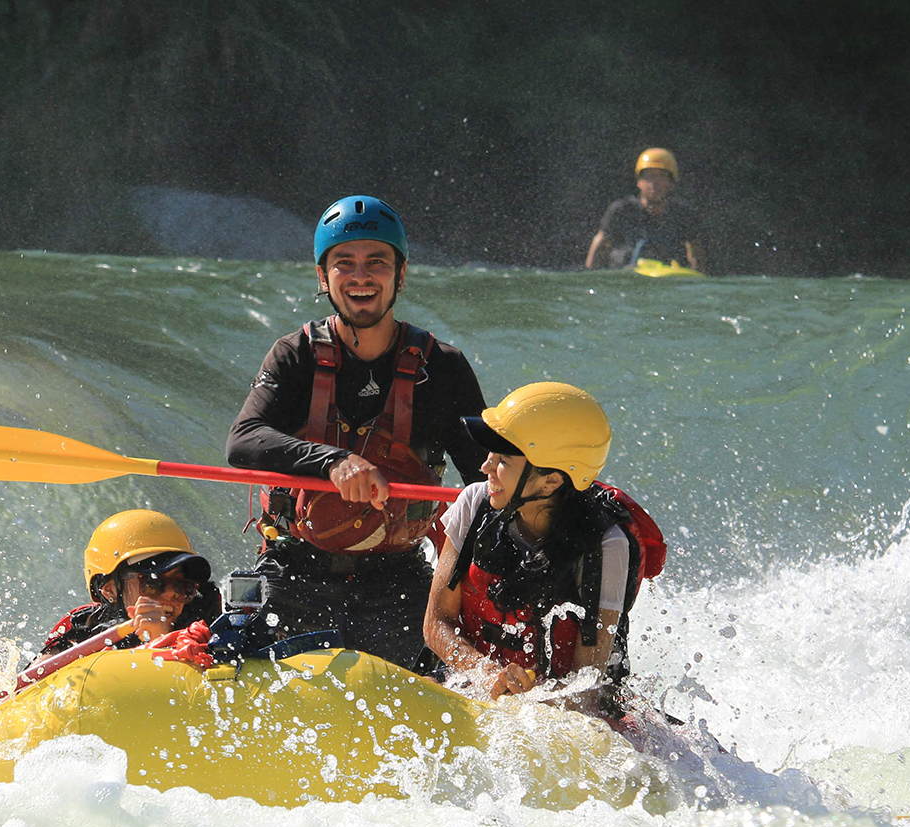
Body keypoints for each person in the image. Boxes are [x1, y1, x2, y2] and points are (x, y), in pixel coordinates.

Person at [226, 194, 487, 667]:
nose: (361, 276)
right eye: (344, 263)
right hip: (293, 574)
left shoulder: (443, 368)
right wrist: (333, 461)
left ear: (400, 275)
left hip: (400, 580)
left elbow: (485, 483)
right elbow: (244, 440)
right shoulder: (294, 356)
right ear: (323, 278)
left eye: (377, 262)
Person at [422, 382, 664, 717]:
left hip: (559, 712)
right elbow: (437, 623)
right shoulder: (474, 503)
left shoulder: (606, 545)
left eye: (503, 459)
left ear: (550, 481)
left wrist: (522, 704)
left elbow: (587, 685)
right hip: (472, 683)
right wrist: (486, 675)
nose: (485, 467)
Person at [33, 509, 220, 664]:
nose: (171, 593)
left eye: (182, 586)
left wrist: (163, 639)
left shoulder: (208, 625)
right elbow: (28, 685)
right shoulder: (82, 630)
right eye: (153, 583)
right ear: (110, 590)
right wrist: (153, 643)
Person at [586, 148, 706, 272]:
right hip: (625, 277)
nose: (654, 183)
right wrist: (590, 275)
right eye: (649, 177)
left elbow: (695, 252)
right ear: (639, 182)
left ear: (671, 183)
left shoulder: (683, 215)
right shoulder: (621, 210)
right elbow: (601, 242)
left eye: (661, 177)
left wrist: (697, 279)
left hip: (666, 278)